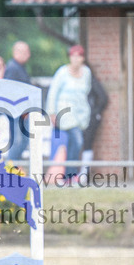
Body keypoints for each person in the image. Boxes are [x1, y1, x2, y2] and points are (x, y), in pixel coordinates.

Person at [45, 45, 92, 183]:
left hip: (80, 114)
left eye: (79, 56)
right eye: (73, 56)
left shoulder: (86, 73)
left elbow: (86, 91)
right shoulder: (62, 73)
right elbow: (53, 93)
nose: (76, 59)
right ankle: (69, 175)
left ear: (82, 58)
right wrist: (52, 113)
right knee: (77, 141)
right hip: (65, 114)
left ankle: (69, 176)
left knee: (74, 145)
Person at [3, 41, 32, 163]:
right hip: (16, 112)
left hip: (21, 111)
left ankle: (12, 169)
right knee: (18, 142)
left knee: (23, 141)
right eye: (24, 52)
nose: (28, 54)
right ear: (16, 52)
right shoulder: (13, 68)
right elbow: (9, 91)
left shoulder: (19, 68)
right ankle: (8, 170)